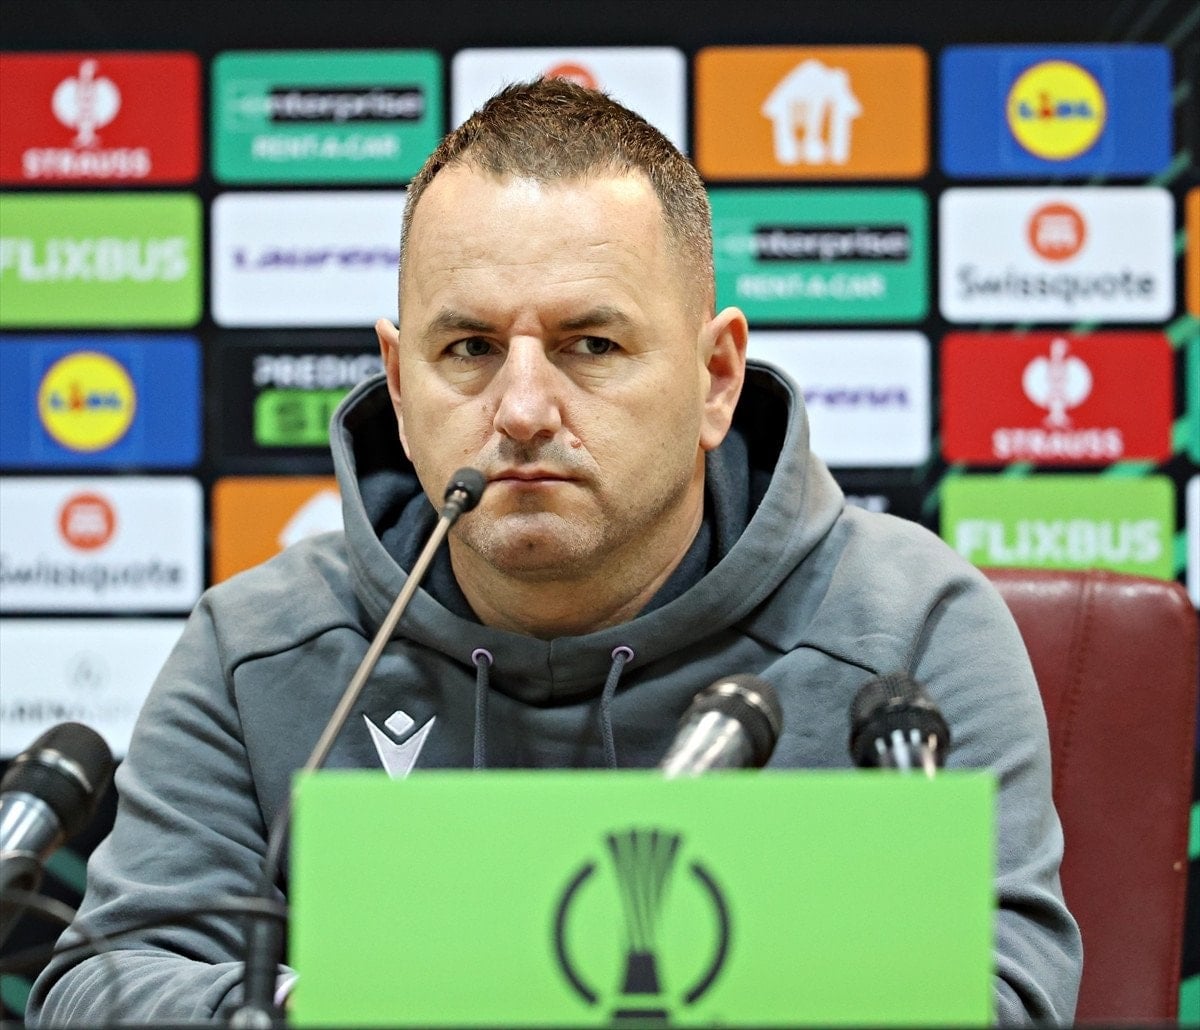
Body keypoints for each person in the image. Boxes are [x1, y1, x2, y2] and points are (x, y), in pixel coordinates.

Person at [28, 79, 1081, 1026]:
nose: (523, 409)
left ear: (715, 378)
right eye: (470, 348)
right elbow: (102, 985)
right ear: (398, 383)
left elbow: (1004, 996)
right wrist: (338, 1004)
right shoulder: (259, 647)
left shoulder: (906, 631)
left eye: (591, 344)